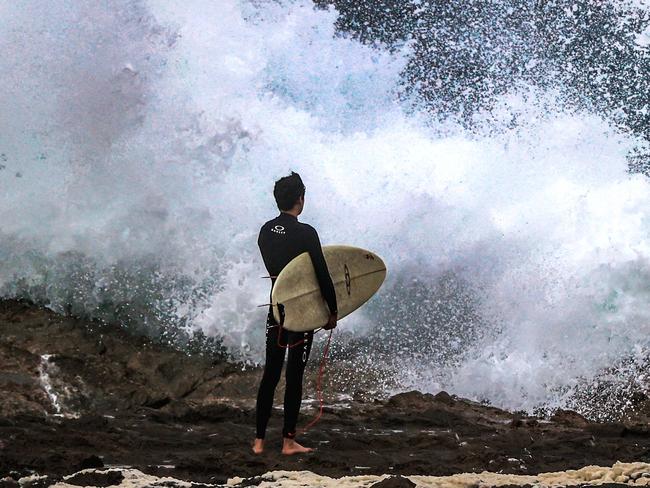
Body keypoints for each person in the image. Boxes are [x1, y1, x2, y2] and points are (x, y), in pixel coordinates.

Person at [253, 171, 338, 456]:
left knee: (271, 374)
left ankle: (259, 442)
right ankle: (288, 442)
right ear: (300, 200)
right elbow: (323, 275)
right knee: (294, 375)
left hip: (276, 311)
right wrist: (332, 311)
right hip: (301, 314)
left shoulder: (265, 231)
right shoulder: (306, 233)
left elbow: (278, 273)